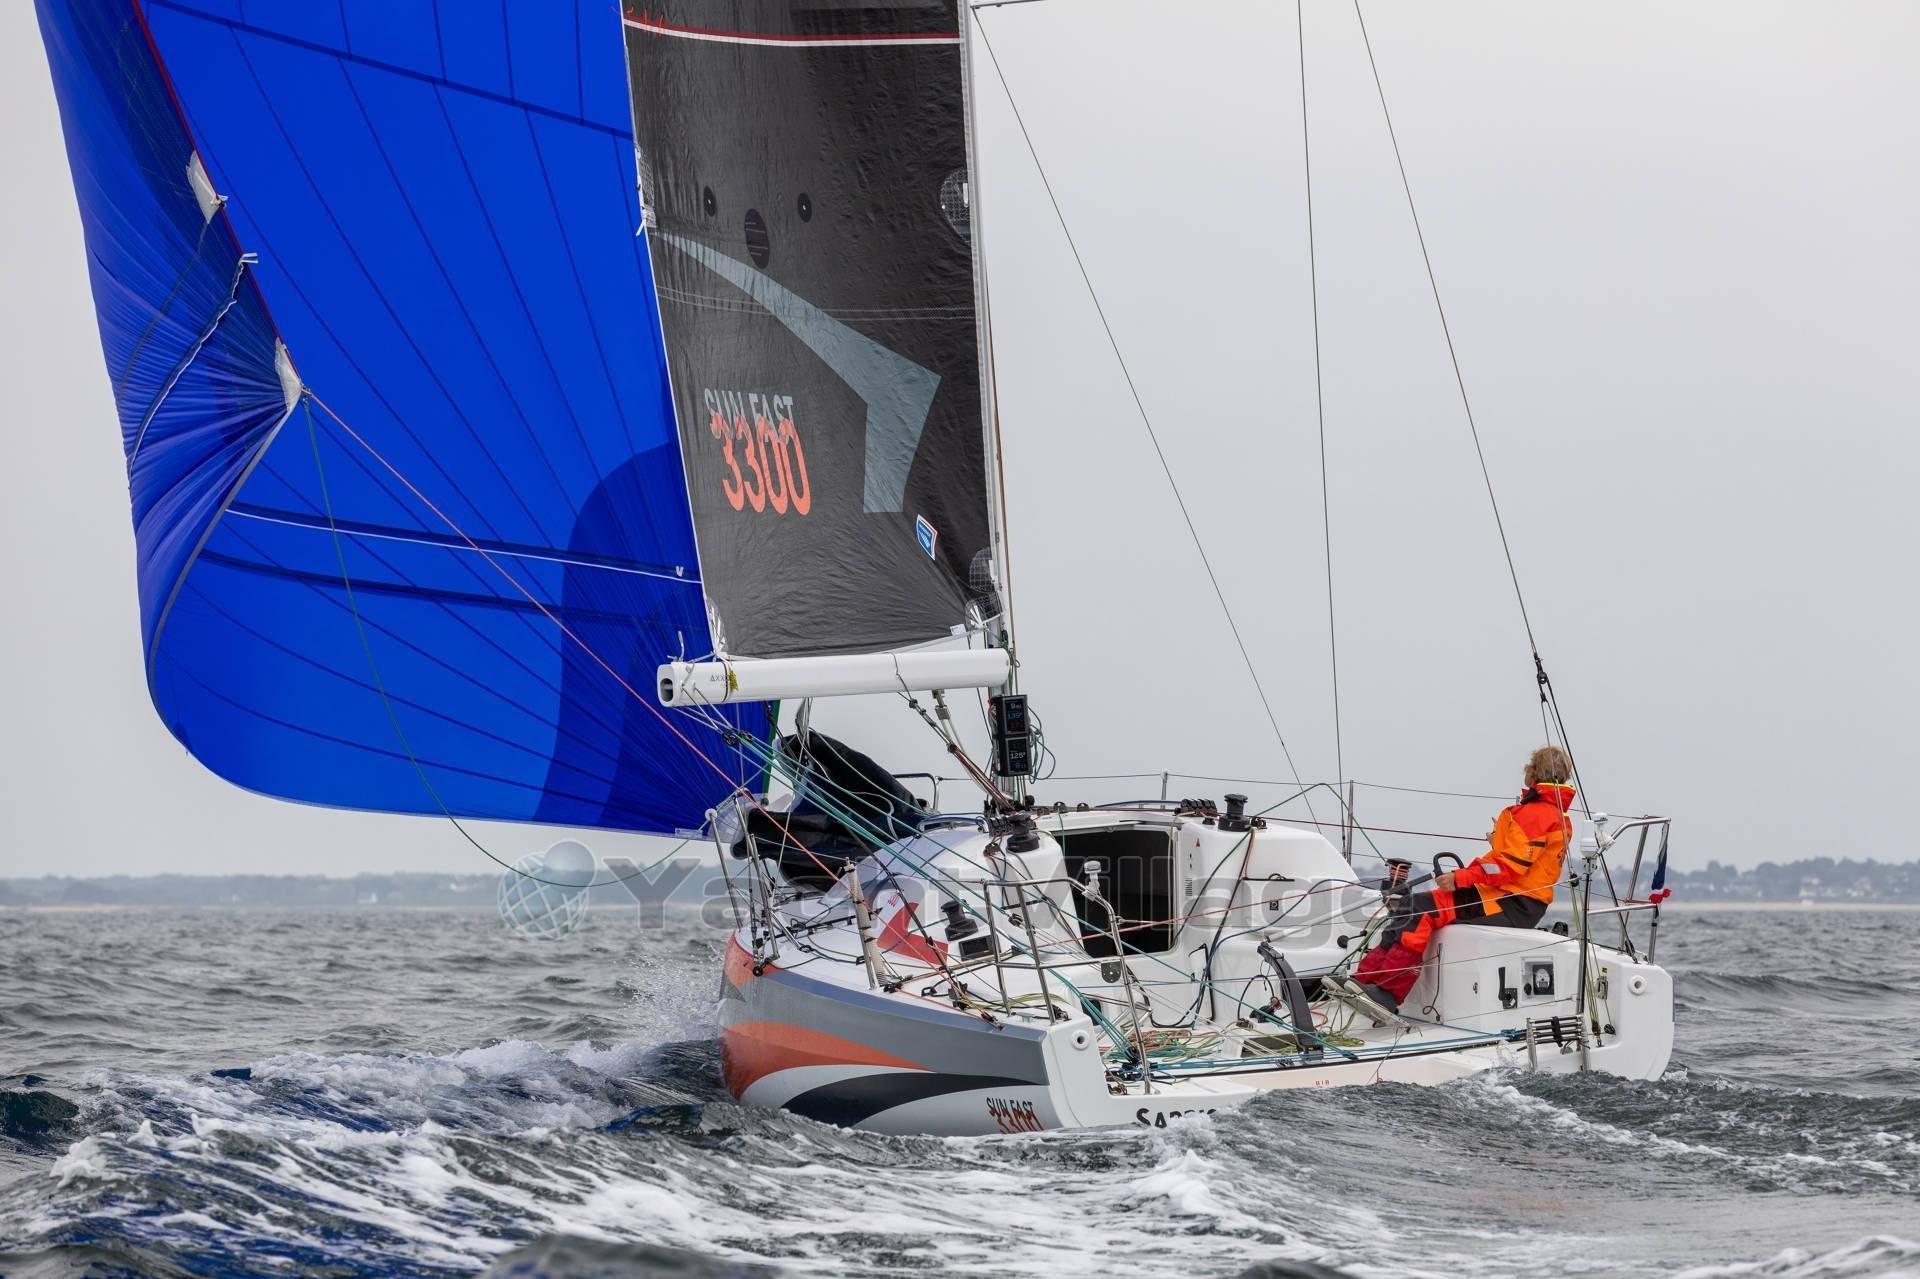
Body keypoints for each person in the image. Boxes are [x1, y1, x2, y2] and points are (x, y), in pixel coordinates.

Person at [1346, 745, 1577, 1011]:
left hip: (1512, 902)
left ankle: (1388, 992)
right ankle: (1365, 980)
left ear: (1534, 772)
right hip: (1507, 896)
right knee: (1412, 905)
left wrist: (1460, 877)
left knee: (1420, 911)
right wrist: (1497, 843)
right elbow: (1527, 861)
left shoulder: (1535, 813)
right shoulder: (1552, 813)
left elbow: (1511, 866)